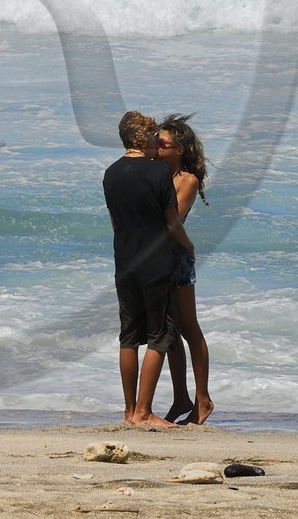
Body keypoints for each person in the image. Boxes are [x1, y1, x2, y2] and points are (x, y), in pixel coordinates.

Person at [104, 110, 196, 427]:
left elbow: (115, 221)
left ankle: (129, 412)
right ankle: (144, 412)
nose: (157, 140)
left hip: (124, 260)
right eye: (154, 135)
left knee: (128, 337)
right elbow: (171, 222)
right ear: (141, 137)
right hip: (155, 262)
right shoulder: (158, 173)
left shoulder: (111, 173)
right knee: (160, 335)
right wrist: (189, 247)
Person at [150, 113, 214, 425]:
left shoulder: (186, 179)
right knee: (171, 333)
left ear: (179, 150)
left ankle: (203, 400)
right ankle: (180, 399)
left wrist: (189, 247)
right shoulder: (154, 175)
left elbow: (172, 219)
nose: (155, 147)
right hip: (154, 259)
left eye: (161, 144)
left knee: (189, 328)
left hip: (175, 258)